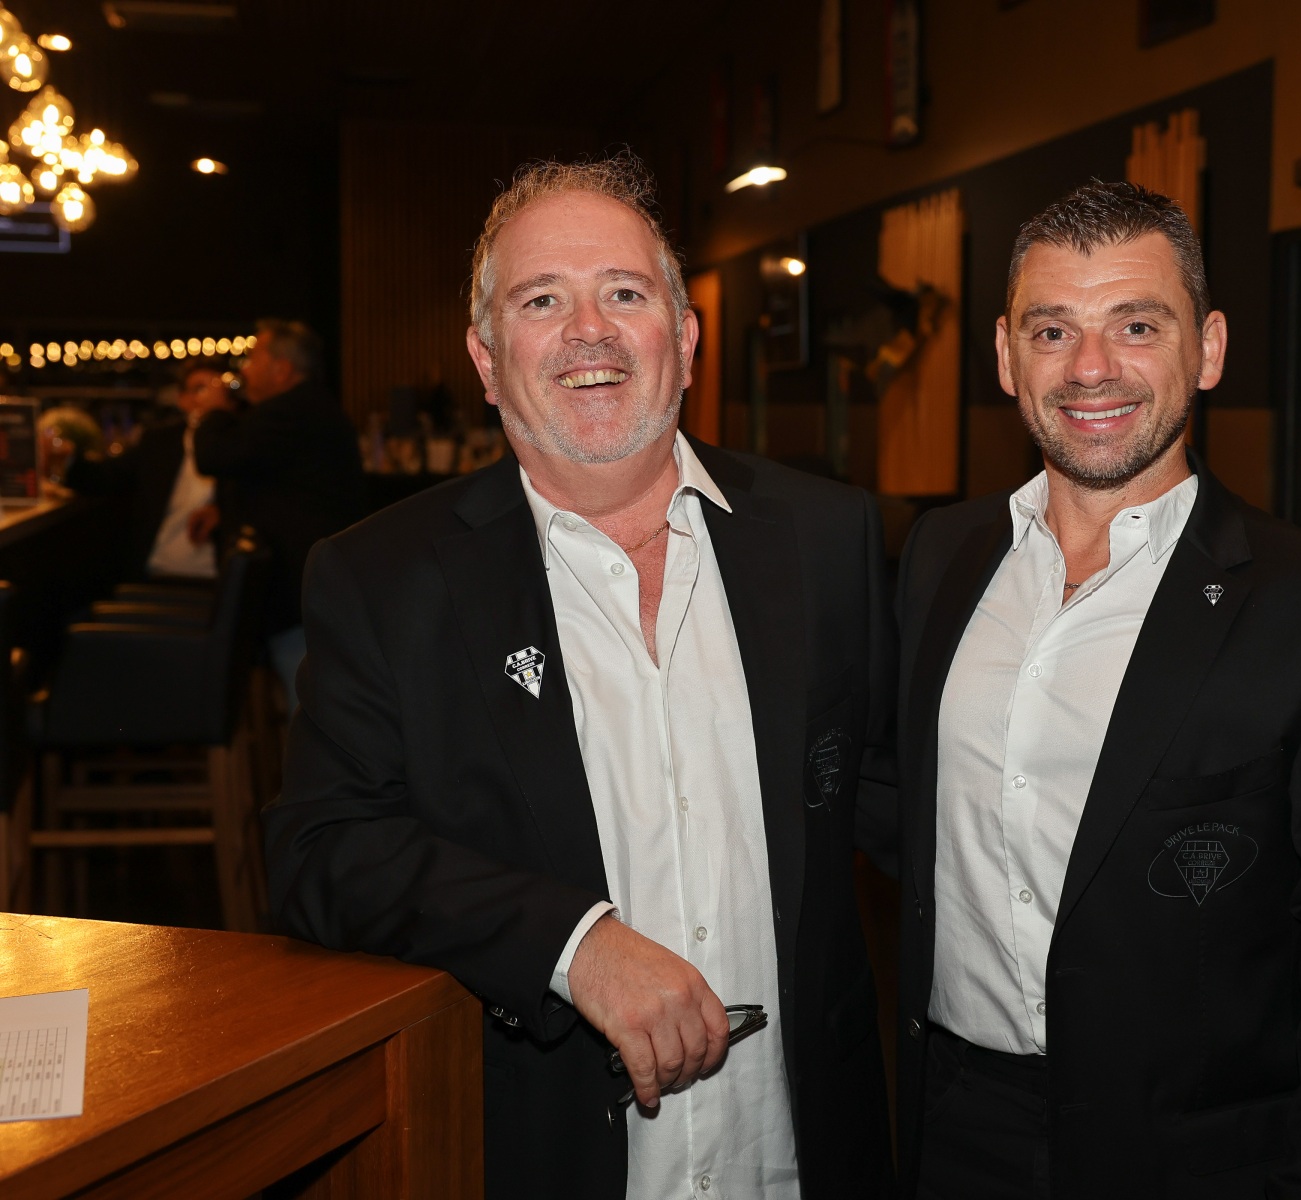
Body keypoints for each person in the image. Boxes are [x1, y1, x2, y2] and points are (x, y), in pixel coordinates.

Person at [263, 155, 895, 1199]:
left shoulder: (825, 539)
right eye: (542, 300)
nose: (589, 331)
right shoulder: (383, 578)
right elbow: (322, 849)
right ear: (486, 359)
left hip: (799, 1157)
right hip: (548, 1157)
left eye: (625, 294)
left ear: (683, 338)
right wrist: (573, 944)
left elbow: (898, 796)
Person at [893, 182, 1301, 1198]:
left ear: (1209, 349)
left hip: (1199, 1163)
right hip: (952, 1127)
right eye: (1052, 330)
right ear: (1007, 357)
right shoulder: (941, 557)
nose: (1090, 367)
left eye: (1137, 325)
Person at [194, 319, 365, 711]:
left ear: (282, 369)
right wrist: (223, 509)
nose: (245, 369)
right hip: (308, 576)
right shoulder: (305, 407)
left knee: (307, 702)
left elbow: (216, 455)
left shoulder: (291, 411)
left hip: (299, 581)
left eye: (254, 359)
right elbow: (278, 478)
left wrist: (214, 413)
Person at [65, 361, 231, 582]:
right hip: (156, 572)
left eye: (219, 390)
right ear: (182, 399)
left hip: (217, 579)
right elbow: (105, 477)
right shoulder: (160, 442)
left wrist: (223, 513)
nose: (210, 397)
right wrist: (65, 459)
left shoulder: (242, 446)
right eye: (200, 389)